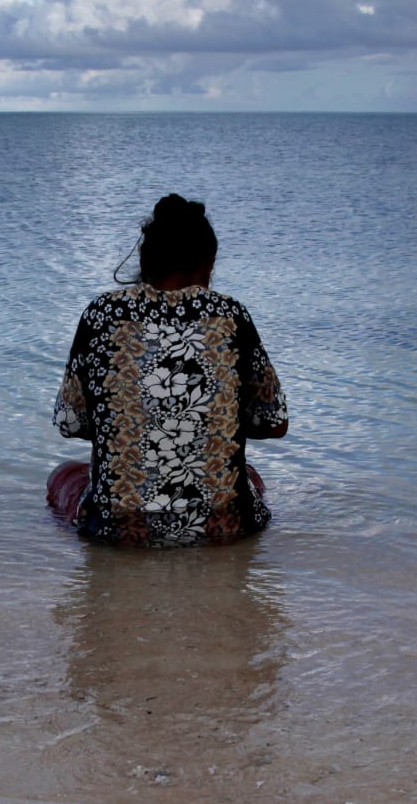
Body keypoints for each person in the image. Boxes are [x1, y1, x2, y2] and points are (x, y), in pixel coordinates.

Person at [49, 194, 288, 546]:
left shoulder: (100, 315)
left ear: (144, 259)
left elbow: (71, 423)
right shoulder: (231, 317)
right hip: (223, 528)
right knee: (250, 477)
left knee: (64, 476)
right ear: (210, 263)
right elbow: (274, 423)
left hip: (119, 530)